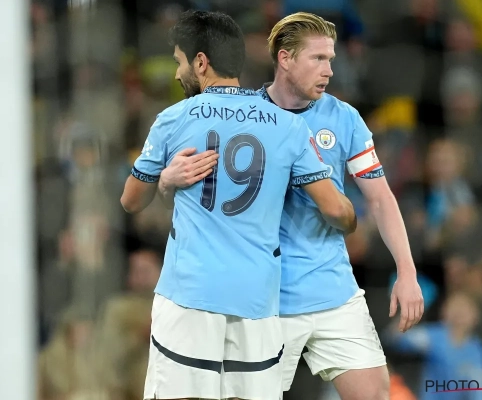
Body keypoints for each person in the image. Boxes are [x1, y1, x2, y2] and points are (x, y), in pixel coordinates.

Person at [158, 12, 425, 400]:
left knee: (374, 394)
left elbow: (381, 198)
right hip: (267, 301)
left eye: (330, 59)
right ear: (285, 59)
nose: (329, 70)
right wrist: (166, 179)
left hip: (333, 290)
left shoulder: (344, 118)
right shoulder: (244, 115)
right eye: (318, 58)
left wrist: (407, 270)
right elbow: (201, 195)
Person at [119, 10, 358, 400]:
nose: (177, 74)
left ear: (201, 62)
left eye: (180, 61)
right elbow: (336, 212)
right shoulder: (288, 125)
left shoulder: (173, 119)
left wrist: (165, 180)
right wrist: (350, 216)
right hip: (256, 301)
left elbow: (130, 201)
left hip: (190, 296)